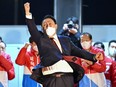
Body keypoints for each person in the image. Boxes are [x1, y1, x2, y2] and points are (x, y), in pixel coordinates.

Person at [24, 2, 104, 87]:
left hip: (67, 77)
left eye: (50, 23)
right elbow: (32, 29)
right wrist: (28, 14)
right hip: (50, 78)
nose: (47, 26)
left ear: (56, 25)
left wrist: (94, 57)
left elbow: (79, 52)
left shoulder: (65, 40)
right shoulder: (41, 40)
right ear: (42, 28)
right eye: (45, 25)